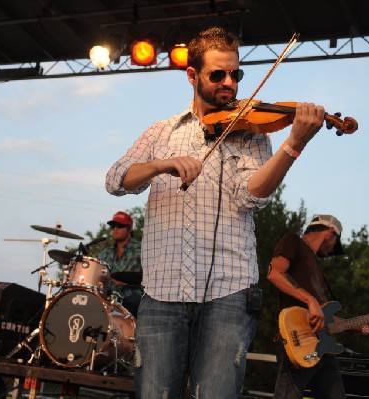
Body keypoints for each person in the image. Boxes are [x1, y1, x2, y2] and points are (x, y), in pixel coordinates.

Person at [105, 26, 328, 398]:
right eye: (217, 74)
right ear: (192, 75)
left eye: (236, 74)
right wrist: (162, 164)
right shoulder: (160, 132)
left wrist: (292, 145)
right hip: (162, 291)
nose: (229, 83)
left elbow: (250, 197)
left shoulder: (253, 132)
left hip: (229, 290)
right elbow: (116, 180)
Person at [268, 214, 369, 398]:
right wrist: (310, 300)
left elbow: (329, 318)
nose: (332, 250)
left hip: (323, 348)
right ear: (330, 233)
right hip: (298, 340)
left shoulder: (316, 266)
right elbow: (274, 273)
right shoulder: (293, 241)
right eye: (336, 243)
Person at [98, 211, 143, 317]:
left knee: (133, 302)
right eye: (113, 226)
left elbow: (150, 277)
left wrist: (127, 282)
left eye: (120, 226)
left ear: (130, 229)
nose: (115, 229)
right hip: (108, 299)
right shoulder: (105, 253)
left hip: (132, 298)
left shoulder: (141, 249)